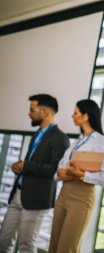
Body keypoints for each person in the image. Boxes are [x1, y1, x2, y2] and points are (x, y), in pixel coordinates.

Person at [0, 94, 69, 253]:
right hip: (18, 194)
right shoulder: (37, 134)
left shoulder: (60, 138)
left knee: (26, 245)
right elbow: (32, 165)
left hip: (36, 199)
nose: (28, 113)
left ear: (44, 112)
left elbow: (54, 170)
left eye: (32, 110)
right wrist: (20, 167)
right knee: (3, 241)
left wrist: (27, 165)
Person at [48, 99, 104, 253]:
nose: (72, 116)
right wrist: (60, 173)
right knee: (54, 246)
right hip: (63, 194)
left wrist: (81, 175)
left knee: (66, 248)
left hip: (82, 198)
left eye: (75, 113)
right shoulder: (76, 142)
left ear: (86, 116)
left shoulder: (102, 143)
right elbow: (60, 167)